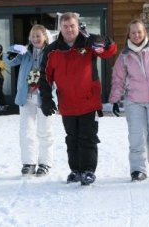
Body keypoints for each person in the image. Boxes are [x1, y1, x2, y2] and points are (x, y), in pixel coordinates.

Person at [39, 12, 117, 186]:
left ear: (77, 26)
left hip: (89, 101)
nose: (69, 29)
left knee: (88, 137)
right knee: (71, 138)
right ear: (60, 28)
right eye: (65, 26)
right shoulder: (52, 50)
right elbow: (44, 76)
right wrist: (46, 99)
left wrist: (104, 40)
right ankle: (75, 170)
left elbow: (109, 51)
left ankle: (88, 170)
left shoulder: (89, 44)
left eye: (72, 26)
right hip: (67, 103)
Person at [109, 19, 149, 182]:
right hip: (134, 101)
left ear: (144, 33)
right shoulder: (124, 56)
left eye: (139, 32)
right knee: (136, 136)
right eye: (133, 32)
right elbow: (118, 79)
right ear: (129, 35)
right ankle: (138, 169)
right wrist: (115, 99)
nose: (136, 35)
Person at [4, 24, 55, 177]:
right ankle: (29, 162)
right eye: (32, 36)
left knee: (44, 131)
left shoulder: (52, 52)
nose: (35, 39)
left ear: (45, 37)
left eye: (38, 36)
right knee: (26, 131)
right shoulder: (25, 54)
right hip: (26, 97)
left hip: (45, 97)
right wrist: (16, 48)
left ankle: (45, 163)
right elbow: (9, 60)